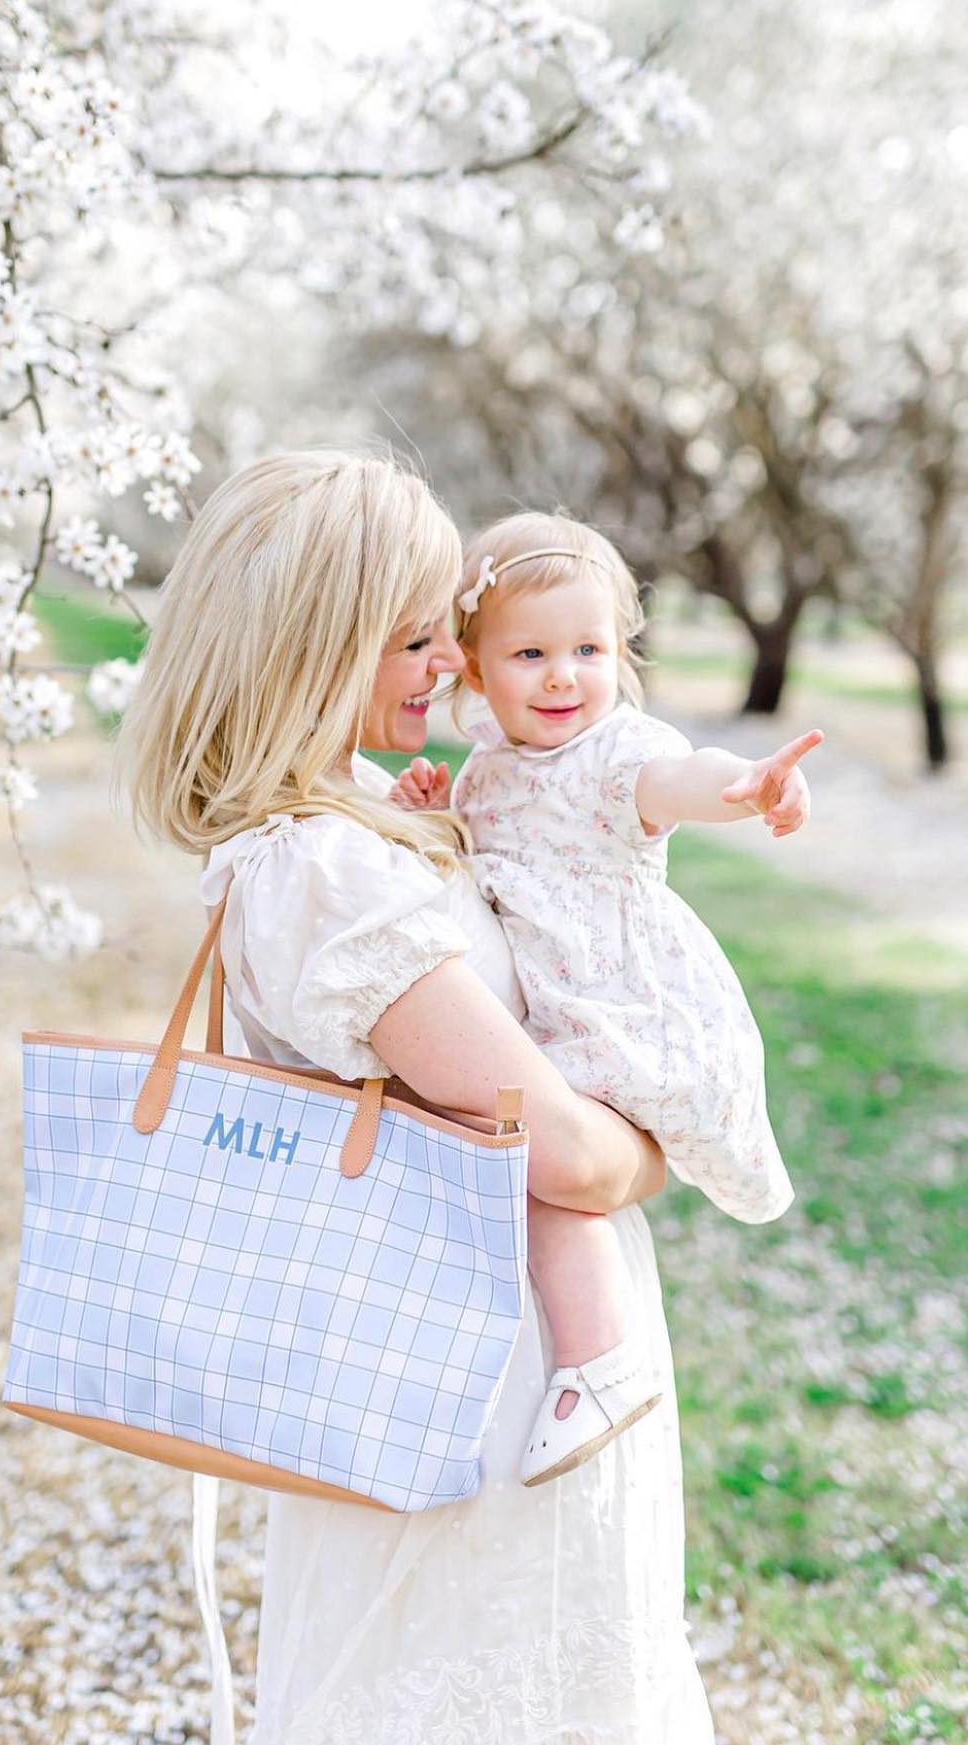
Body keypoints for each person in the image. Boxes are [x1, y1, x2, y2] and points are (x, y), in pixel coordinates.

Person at [114, 449, 716, 1744]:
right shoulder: (322, 871)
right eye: (412, 637)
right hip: (474, 1397)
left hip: (491, 1366)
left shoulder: (361, 817)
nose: (450, 660)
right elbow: (565, 1157)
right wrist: (662, 1140)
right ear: (312, 649)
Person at [390, 511, 820, 1487]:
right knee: (531, 1149)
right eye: (530, 652)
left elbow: (678, 778)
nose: (561, 676)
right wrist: (431, 815)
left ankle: (599, 1359)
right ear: (472, 668)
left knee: (546, 1162)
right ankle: (582, 1354)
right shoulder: (490, 771)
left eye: (587, 649)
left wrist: (745, 785)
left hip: (625, 1009)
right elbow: (479, 864)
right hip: (557, 1007)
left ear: (619, 657)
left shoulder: (615, 754)